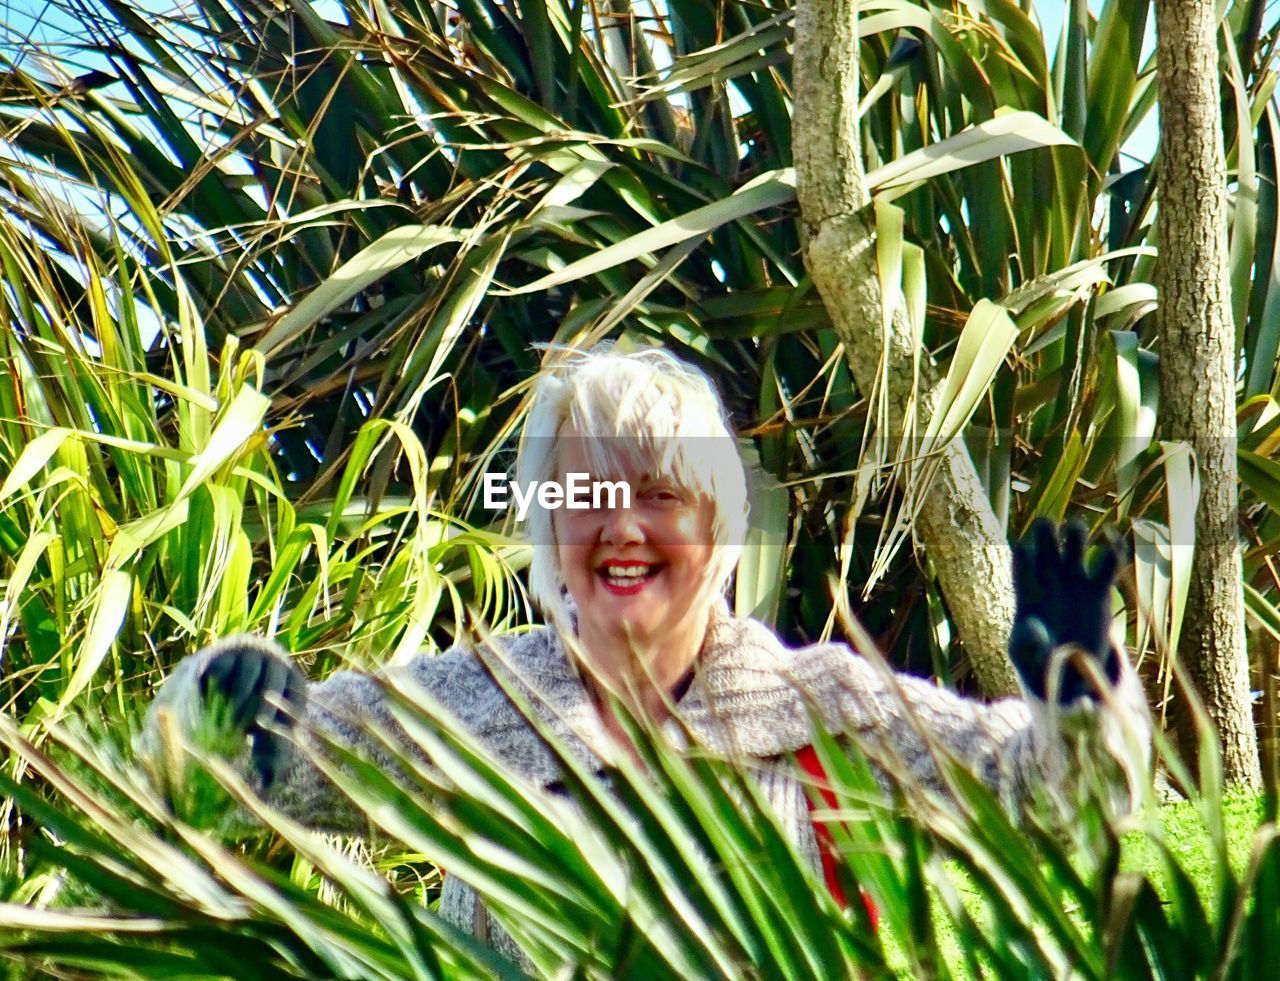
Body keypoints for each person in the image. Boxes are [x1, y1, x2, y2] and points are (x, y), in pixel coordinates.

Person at [140, 346, 1151, 958]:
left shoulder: (827, 705)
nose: (621, 528)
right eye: (587, 495)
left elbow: (1050, 801)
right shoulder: (476, 701)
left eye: (658, 497)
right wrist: (221, 699)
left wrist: (1078, 689)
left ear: (712, 530)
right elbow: (237, 770)